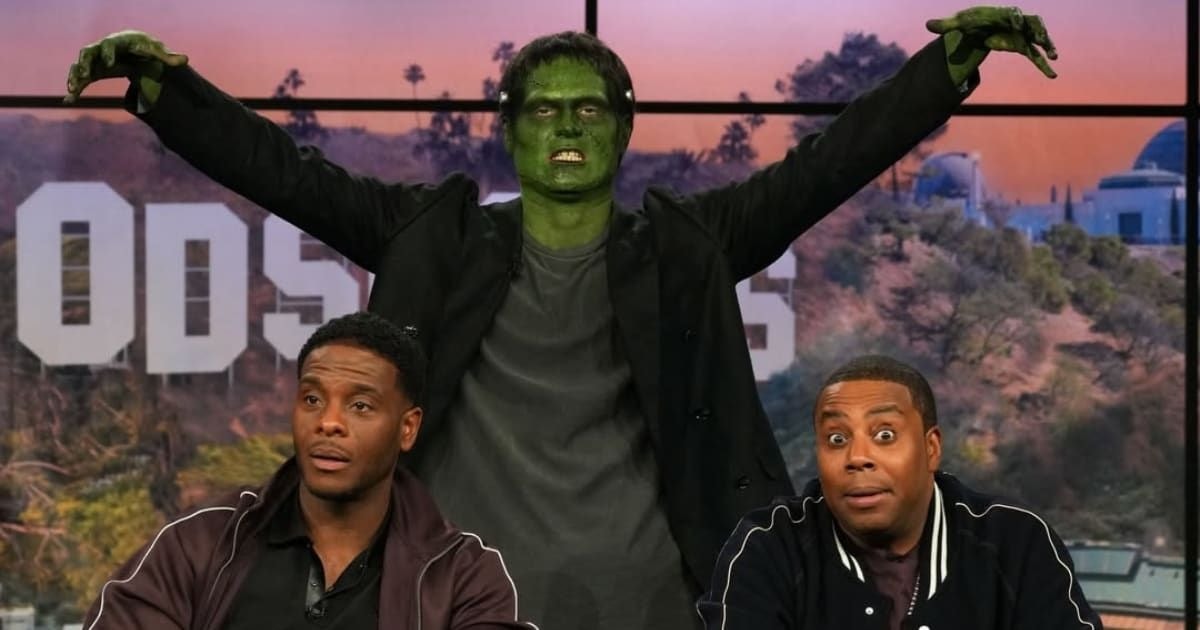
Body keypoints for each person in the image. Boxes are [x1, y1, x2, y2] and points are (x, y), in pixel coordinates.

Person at [66, 9, 1057, 628]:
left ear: (623, 128)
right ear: (511, 129)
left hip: (654, 608)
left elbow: (825, 167)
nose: (568, 126)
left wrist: (943, 71)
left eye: (590, 109)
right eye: (544, 109)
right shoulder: (436, 237)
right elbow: (285, 174)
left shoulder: (684, 248)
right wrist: (166, 90)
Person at [80, 312, 535, 630]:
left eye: (360, 405)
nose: (328, 422)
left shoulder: (460, 576)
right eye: (312, 399)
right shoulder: (200, 544)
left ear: (407, 428)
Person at [697, 355, 1101, 630]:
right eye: (836, 438)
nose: (858, 457)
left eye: (885, 435)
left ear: (931, 448)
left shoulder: (1017, 544)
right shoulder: (770, 547)